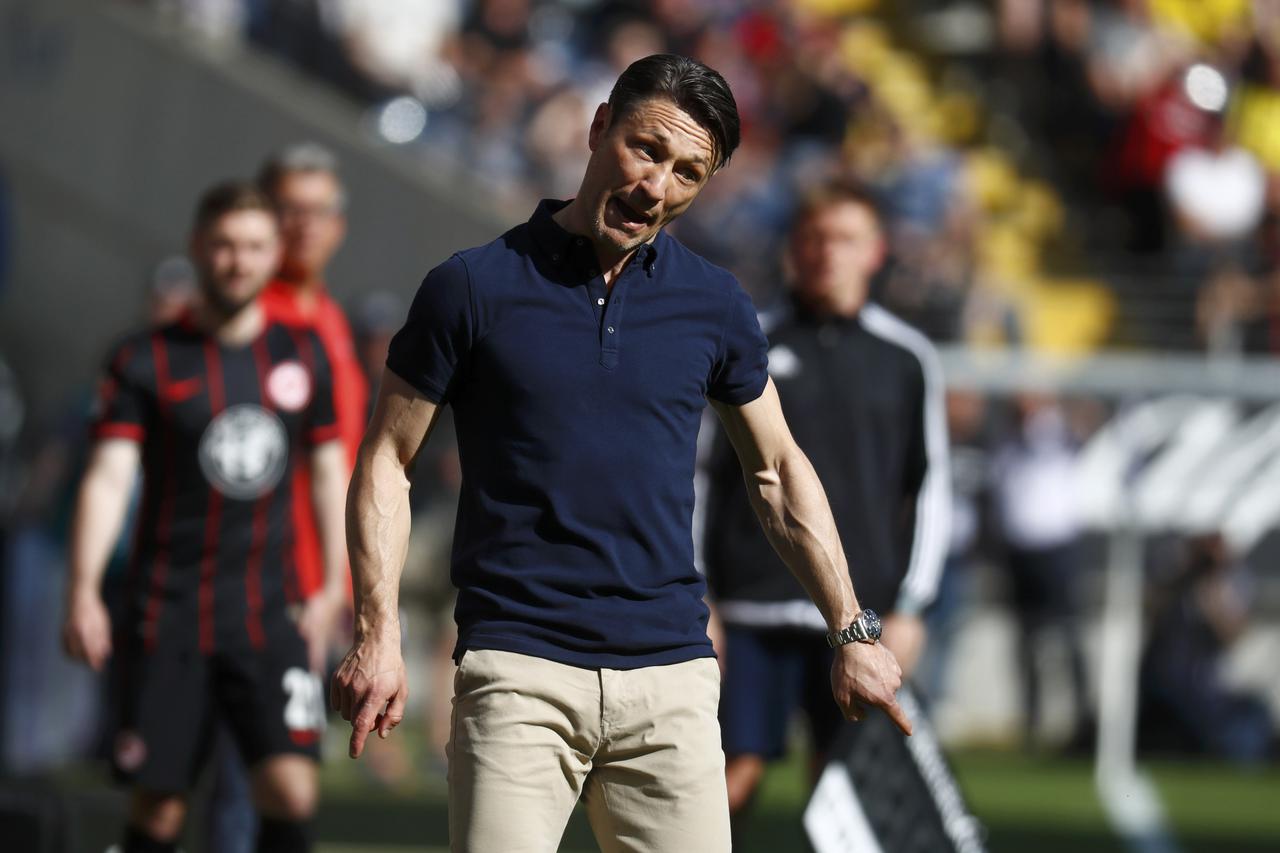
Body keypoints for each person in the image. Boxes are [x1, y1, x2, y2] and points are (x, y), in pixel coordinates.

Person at [330, 53, 910, 852]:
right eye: (645, 149)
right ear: (600, 127)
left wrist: (851, 629)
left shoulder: (715, 303)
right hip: (516, 671)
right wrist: (378, 631)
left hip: (671, 679)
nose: (656, 186)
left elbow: (775, 470)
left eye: (687, 172)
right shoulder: (471, 286)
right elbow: (387, 461)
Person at [62, 182, 348, 853]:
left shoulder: (303, 356)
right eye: (223, 245)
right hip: (169, 613)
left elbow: (331, 475)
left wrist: (333, 586)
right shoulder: (145, 358)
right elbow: (107, 478)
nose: (237, 261)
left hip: (268, 615)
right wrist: (83, 590)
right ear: (197, 247)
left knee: (292, 790)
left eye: (252, 246)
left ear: (275, 252)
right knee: (160, 809)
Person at [701, 180, 950, 816]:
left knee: (845, 799)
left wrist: (912, 606)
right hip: (749, 609)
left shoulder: (907, 358)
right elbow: (700, 474)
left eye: (844, 238)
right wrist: (697, 592)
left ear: (875, 251)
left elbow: (929, 490)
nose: (826, 252)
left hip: (859, 617)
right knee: (727, 786)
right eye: (813, 238)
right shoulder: (746, 340)